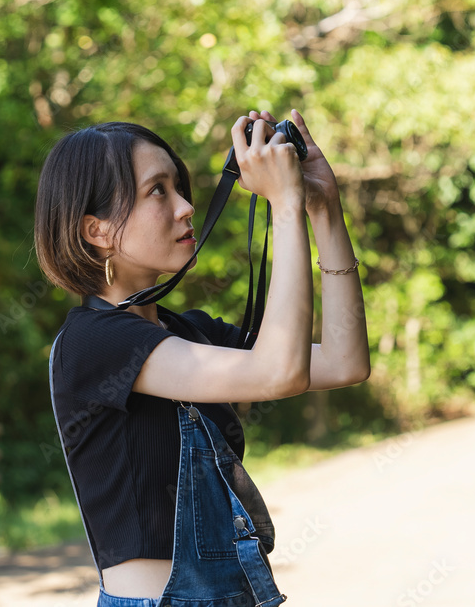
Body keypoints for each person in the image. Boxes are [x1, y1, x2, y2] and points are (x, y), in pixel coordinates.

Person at [34, 109, 370, 606]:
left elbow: (346, 361)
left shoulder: (191, 332)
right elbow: (277, 372)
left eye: (180, 187)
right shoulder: (93, 343)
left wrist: (323, 211)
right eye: (158, 191)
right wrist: (282, 202)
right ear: (96, 230)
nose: (187, 206)